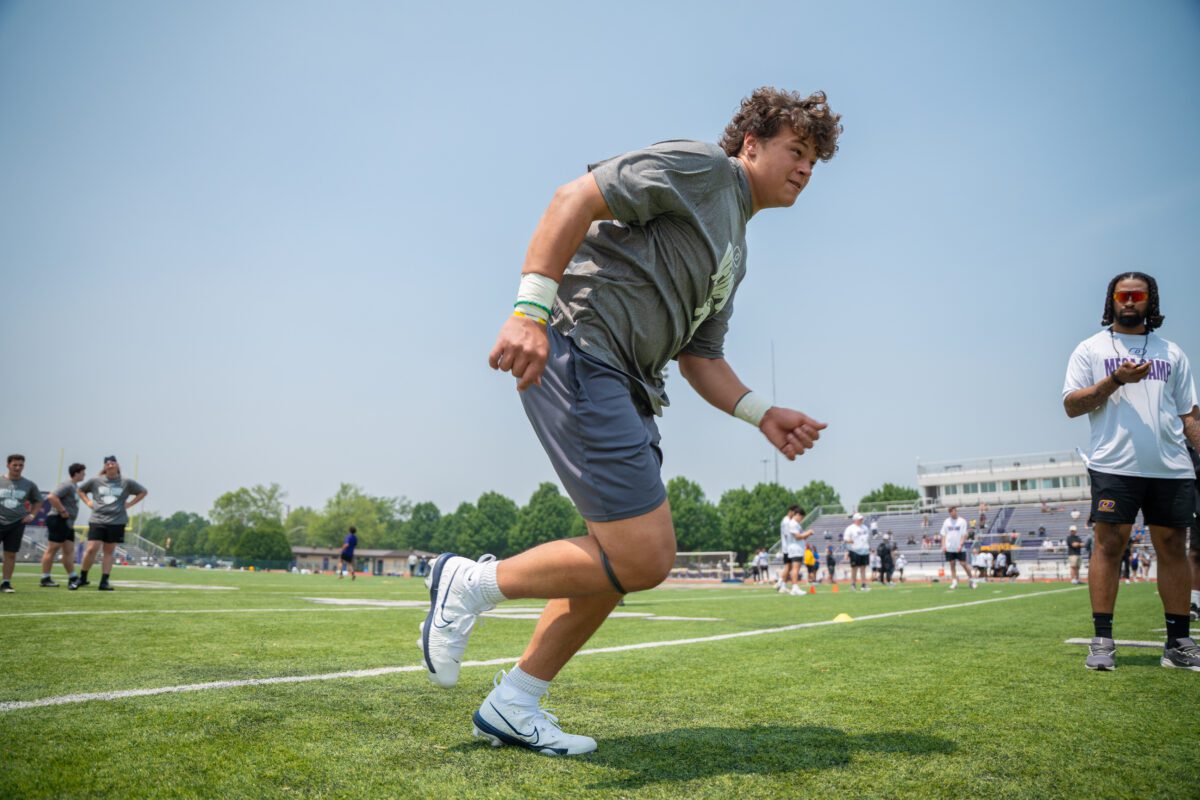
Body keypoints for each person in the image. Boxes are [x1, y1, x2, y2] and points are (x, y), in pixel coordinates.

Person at [421, 87, 842, 755]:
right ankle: (467, 583)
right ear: (752, 144)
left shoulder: (736, 248)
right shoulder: (704, 167)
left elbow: (700, 356)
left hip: (630, 384)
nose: (806, 169)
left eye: (815, 161)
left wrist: (763, 414)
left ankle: (514, 701)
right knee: (645, 555)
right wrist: (528, 313)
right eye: (797, 151)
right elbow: (574, 199)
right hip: (583, 351)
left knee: (613, 564)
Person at [1062, 271, 1200, 671]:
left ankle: (1177, 643)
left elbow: (1189, 415)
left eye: (1137, 295)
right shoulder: (1090, 349)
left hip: (1171, 466)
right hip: (1113, 464)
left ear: (1149, 301)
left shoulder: (1171, 353)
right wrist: (1114, 380)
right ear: (1111, 300)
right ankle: (1102, 639)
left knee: (1173, 547)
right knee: (1108, 546)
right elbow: (1072, 405)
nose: (1129, 301)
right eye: (1122, 295)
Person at [76, 457, 146, 591]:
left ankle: (104, 581)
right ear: (104, 467)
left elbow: (143, 492)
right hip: (98, 519)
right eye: (107, 463)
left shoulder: (126, 482)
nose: (110, 465)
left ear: (117, 465)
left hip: (117, 521)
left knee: (109, 551)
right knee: (91, 548)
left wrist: (130, 504)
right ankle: (83, 577)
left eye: (112, 463)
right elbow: (80, 490)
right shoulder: (96, 480)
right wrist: (88, 502)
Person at [0, 455, 42, 593]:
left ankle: (6, 583)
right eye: (15, 465)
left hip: (16, 523)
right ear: (8, 465)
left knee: (10, 554)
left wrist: (32, 515)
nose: (18, 468)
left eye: (20, 465)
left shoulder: (28, 484)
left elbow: (38, 501)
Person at [41, 462, 86, 588]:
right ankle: (45, 578)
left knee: (69, 550)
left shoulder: (74, 486)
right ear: (76, 473)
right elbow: (52, 496)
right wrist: (63, 511)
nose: (84, 475)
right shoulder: (67, 485)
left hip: (68, 523)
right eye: (83, 472)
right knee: (53, 548)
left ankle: (73, 577)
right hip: (58, 519)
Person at [940, 506, 976, 589]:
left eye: (955, 511)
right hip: (949, 547)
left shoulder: (962, 521)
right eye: (951, 512)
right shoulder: (946, 521)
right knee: (952, 564)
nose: (953, 513)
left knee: (963, 564)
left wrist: (961, 544)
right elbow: (943, 534)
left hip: (959, 547)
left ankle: (971, 580)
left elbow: (964, 534)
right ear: (950, 513)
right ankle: (954, 582)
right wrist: (943, 545)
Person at [843, 512, 871, 590]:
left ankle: (863, 584)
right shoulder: (850, 528)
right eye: (859, 519)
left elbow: (867, 538)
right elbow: (845, 538)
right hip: (854, 550)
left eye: (861, 518)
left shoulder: (865, 527)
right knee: (854, 568)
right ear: (855, 520)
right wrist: (849, 541)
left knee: (863, 568)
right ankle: (853, 584)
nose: (861, 520)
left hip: (864, 550)